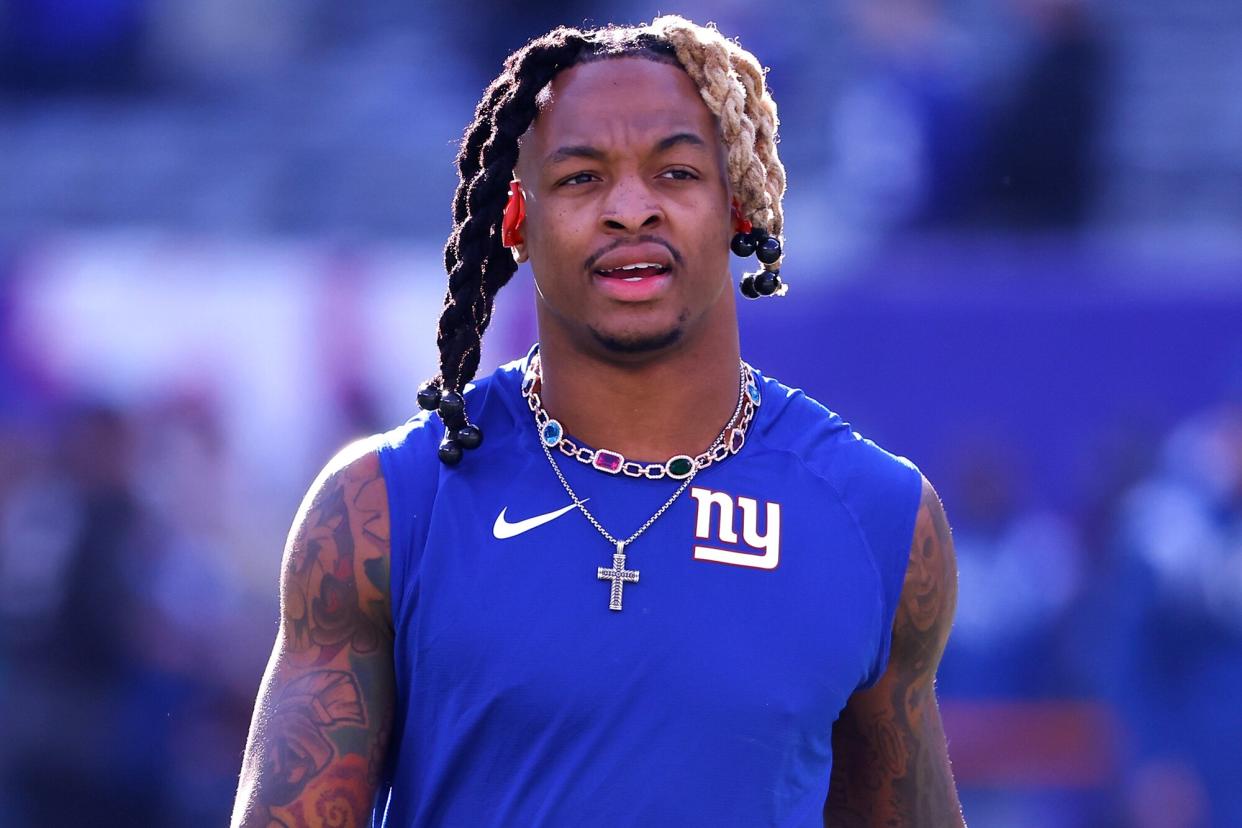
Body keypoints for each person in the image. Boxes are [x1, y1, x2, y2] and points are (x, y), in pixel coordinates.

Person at [231, 16, 965, 827]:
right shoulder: (382, 508)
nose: (630, 210)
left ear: (741, 205)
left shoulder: (877, 516)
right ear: (517, 219)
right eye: (582, 178)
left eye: (677, 173)